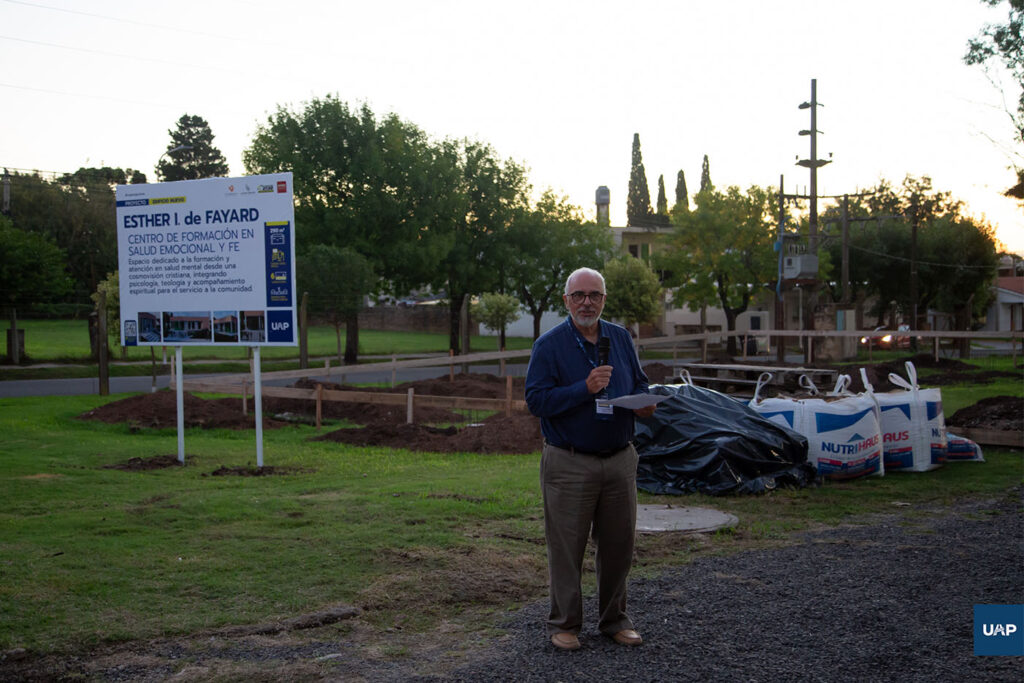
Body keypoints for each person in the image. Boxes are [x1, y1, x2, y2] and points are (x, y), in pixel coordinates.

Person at [524, 266, 656, 651]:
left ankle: (614, 620)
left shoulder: (620, 337)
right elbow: (536, 401)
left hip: (619, 459)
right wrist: (583, 389)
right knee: (567, 547)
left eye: (594, 295)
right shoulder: (549, 346)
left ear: (603, 299)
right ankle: (564, 624)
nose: (587, 302)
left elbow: (640, 383)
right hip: (569, 461)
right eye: (579, 295)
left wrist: (645, 403)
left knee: (619, 545)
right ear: (566, 301)